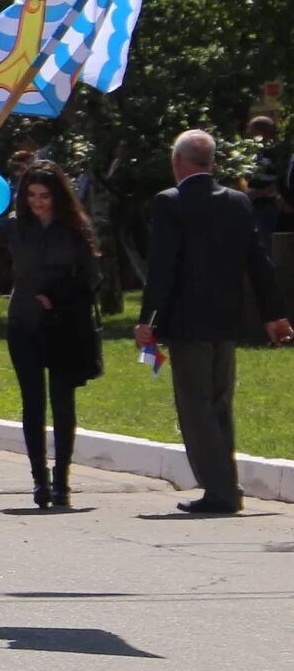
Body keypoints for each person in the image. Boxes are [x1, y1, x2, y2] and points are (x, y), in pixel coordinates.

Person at [136, 128, 291, 515]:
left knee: (196, 406)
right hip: (227, 320)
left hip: (187, 324)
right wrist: (275, 314)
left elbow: (163, 268)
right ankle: (227, 484)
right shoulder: (237, 202)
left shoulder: (170, 203)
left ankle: (220, 491)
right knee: (220, 404)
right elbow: (258, 261)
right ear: (213, 163)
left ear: (177, 162)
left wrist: (148, 320)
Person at [1, 161, 102, 509]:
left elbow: (92, 278)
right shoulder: (15, 227)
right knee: (32, 402)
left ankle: (62, 480)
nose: (37, 202)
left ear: (58, 195)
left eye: (44, 195)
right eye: (31, 195)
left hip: (62, 325)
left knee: (62, 402)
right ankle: (39, 480)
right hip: (23, 324)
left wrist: (59, 296)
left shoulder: (75, 228)